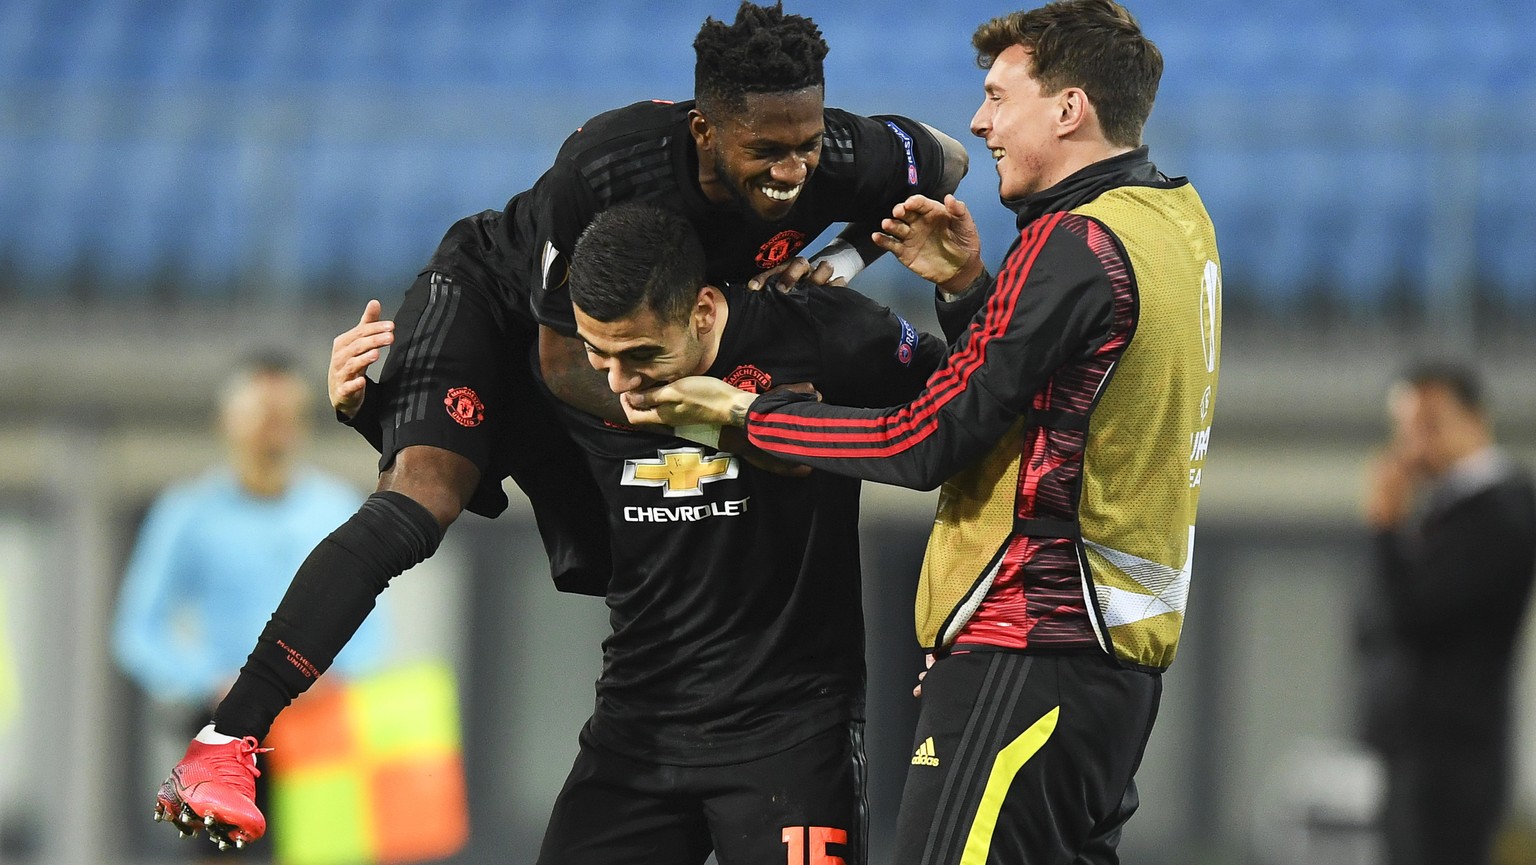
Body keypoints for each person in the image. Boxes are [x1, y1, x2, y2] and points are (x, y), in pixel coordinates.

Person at [152, 3, 968, 850]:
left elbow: (945, 170)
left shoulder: (836, 178)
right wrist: (712, 421)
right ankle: (228, 738)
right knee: (422, 496)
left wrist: (844, 260)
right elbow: (561, 364)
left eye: (804, 144)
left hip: (784, 719)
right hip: (505, 302)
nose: (792, 171)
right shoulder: (607, 175)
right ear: (703, 130)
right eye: (766, 150)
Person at [623, 1, 1221, 861]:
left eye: (997, 96)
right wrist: (972, 290)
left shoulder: (1073, 244)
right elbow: (1066, 411)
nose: (979, 123)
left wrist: (747, 416)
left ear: (1068, 109)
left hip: (1031, 649)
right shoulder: (1176, 223)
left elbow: (924, 441)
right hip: (1105, 673)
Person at [535, 200, 958, 864]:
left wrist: (956, 287)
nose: (617, 382)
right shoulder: (577, 376)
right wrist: (373, 411)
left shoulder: (819, 331)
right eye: (600, 354)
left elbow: (967, 408)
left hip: (793, 733)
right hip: (635, 728)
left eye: (641, 354)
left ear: (703, 310)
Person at [115, 353, 386, 852]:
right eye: (260, 415)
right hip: (226, 730)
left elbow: (371, 632)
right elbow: (138, 631)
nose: (273, 431)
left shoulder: (336, 510)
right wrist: (207, 681)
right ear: (228, 422)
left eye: (285, 417)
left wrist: (335, 680)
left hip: (318, 734)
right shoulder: (188, 514)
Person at [1357, 361, 1536, 865]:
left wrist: (1385, 526)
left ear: (1477, 418)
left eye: (1430, 424)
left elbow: (1412, 616)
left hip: (1455, 759)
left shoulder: (1502, 510)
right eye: (1406, 428)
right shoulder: (1449, 508)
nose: (1414, 444)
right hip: (1421, 752)